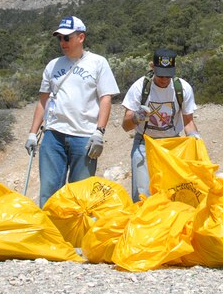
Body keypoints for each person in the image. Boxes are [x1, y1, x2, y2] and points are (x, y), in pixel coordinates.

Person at [26, 16, 120, 208]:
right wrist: (32, 134)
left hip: (84, 137)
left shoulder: (98, 63)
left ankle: (75, 236)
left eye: (67, 38)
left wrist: (99, 132)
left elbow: (105, 98)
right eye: (59, 38)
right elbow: (43, 100)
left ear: (81, 37)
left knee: (80, 195)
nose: (62, 42)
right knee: (49, 192)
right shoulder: (53, 65)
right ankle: (49, 234)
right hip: (53, 135)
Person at [121, 48, 200, 202]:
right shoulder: (140, 88)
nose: (164, 79)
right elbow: (125, 125)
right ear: (153, 68)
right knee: (143, 193)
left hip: (172, 144)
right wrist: (137, 117)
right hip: (145, 143)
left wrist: (194, 137)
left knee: (173, 192)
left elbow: (188, 121)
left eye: (168, 75)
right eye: (160, 74)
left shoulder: (182, 89)